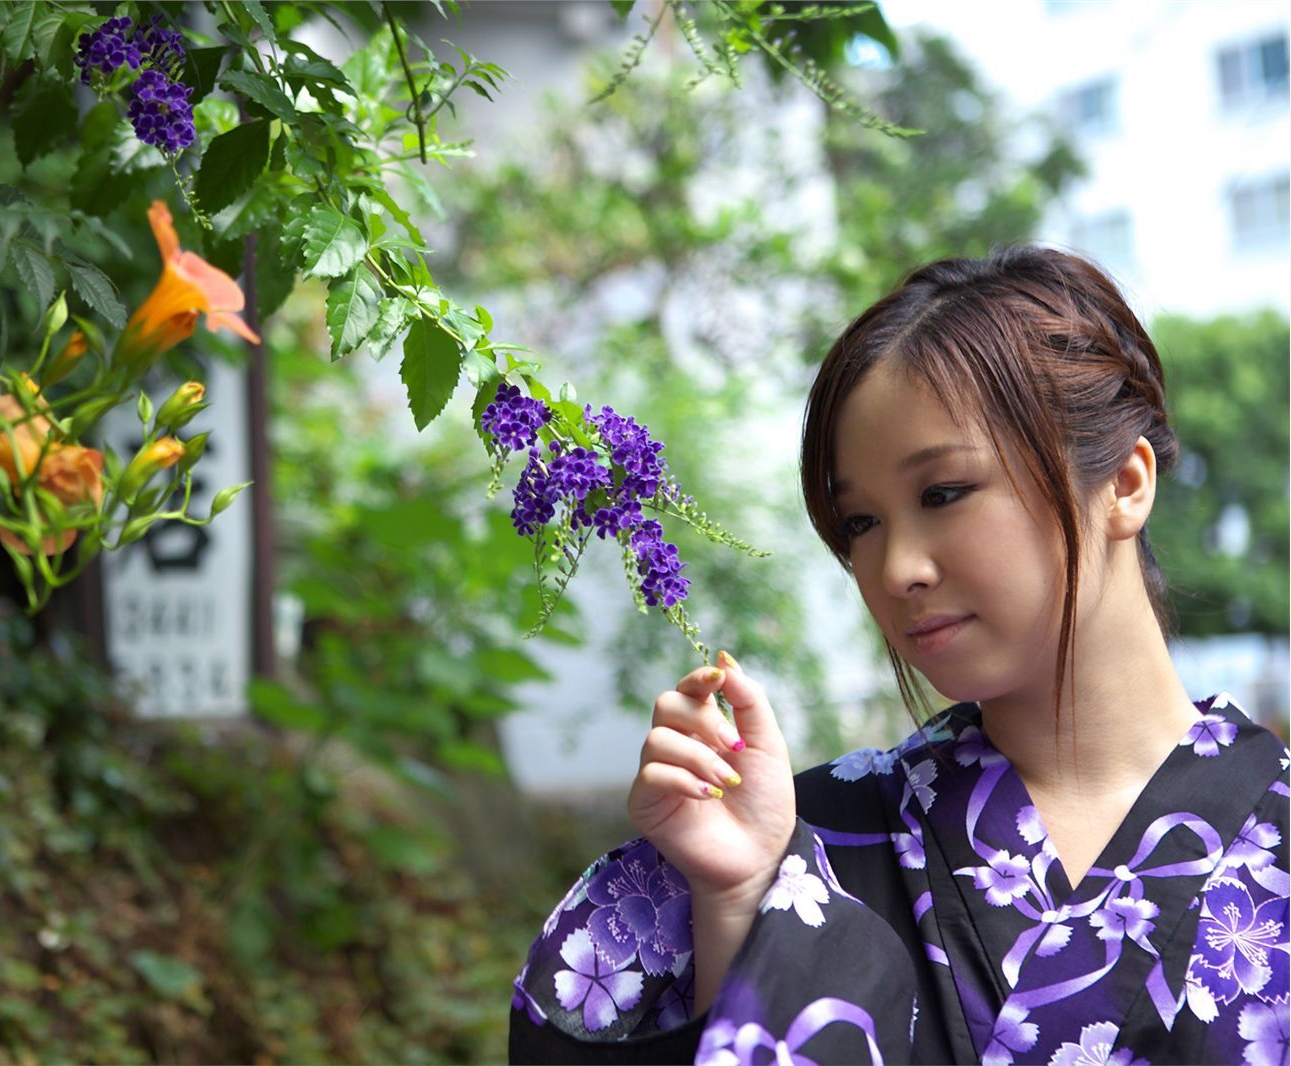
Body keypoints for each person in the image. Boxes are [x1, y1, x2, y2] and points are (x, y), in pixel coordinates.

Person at [507, 246, 1289, 1065]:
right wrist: (739, 905)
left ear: (1124, 485)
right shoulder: (801, 846)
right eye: (860, 525)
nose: (895, 570)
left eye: (943, 493)